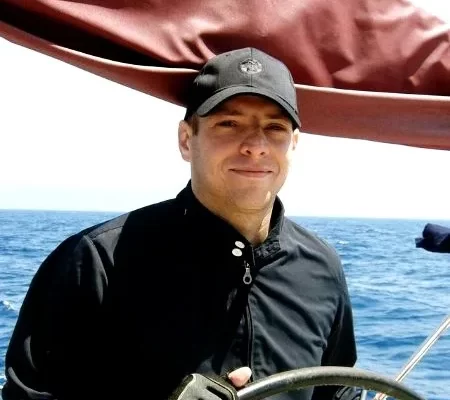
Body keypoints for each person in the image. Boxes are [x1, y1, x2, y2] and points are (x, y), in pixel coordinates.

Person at [2, 47, 359, 400]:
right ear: (187, 140)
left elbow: (340, 393)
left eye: (275, 127)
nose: (256, 145)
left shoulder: (322, 266)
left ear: (293, 145)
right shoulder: (99, 261)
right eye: (229, 123)